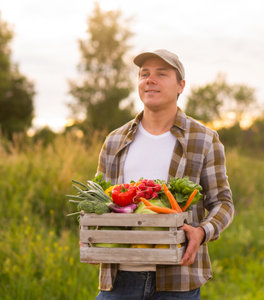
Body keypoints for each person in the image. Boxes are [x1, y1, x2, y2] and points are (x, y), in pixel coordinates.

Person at [95, 49, 234, 299]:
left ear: (181, 85)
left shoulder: (204, 139)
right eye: (144, 74)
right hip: (119, 279)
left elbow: (223, 203)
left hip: (178, 280)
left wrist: (202, 232)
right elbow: (102, 204)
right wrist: (94, 236)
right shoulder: (114, 141)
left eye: (161, 74)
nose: (150, 79)